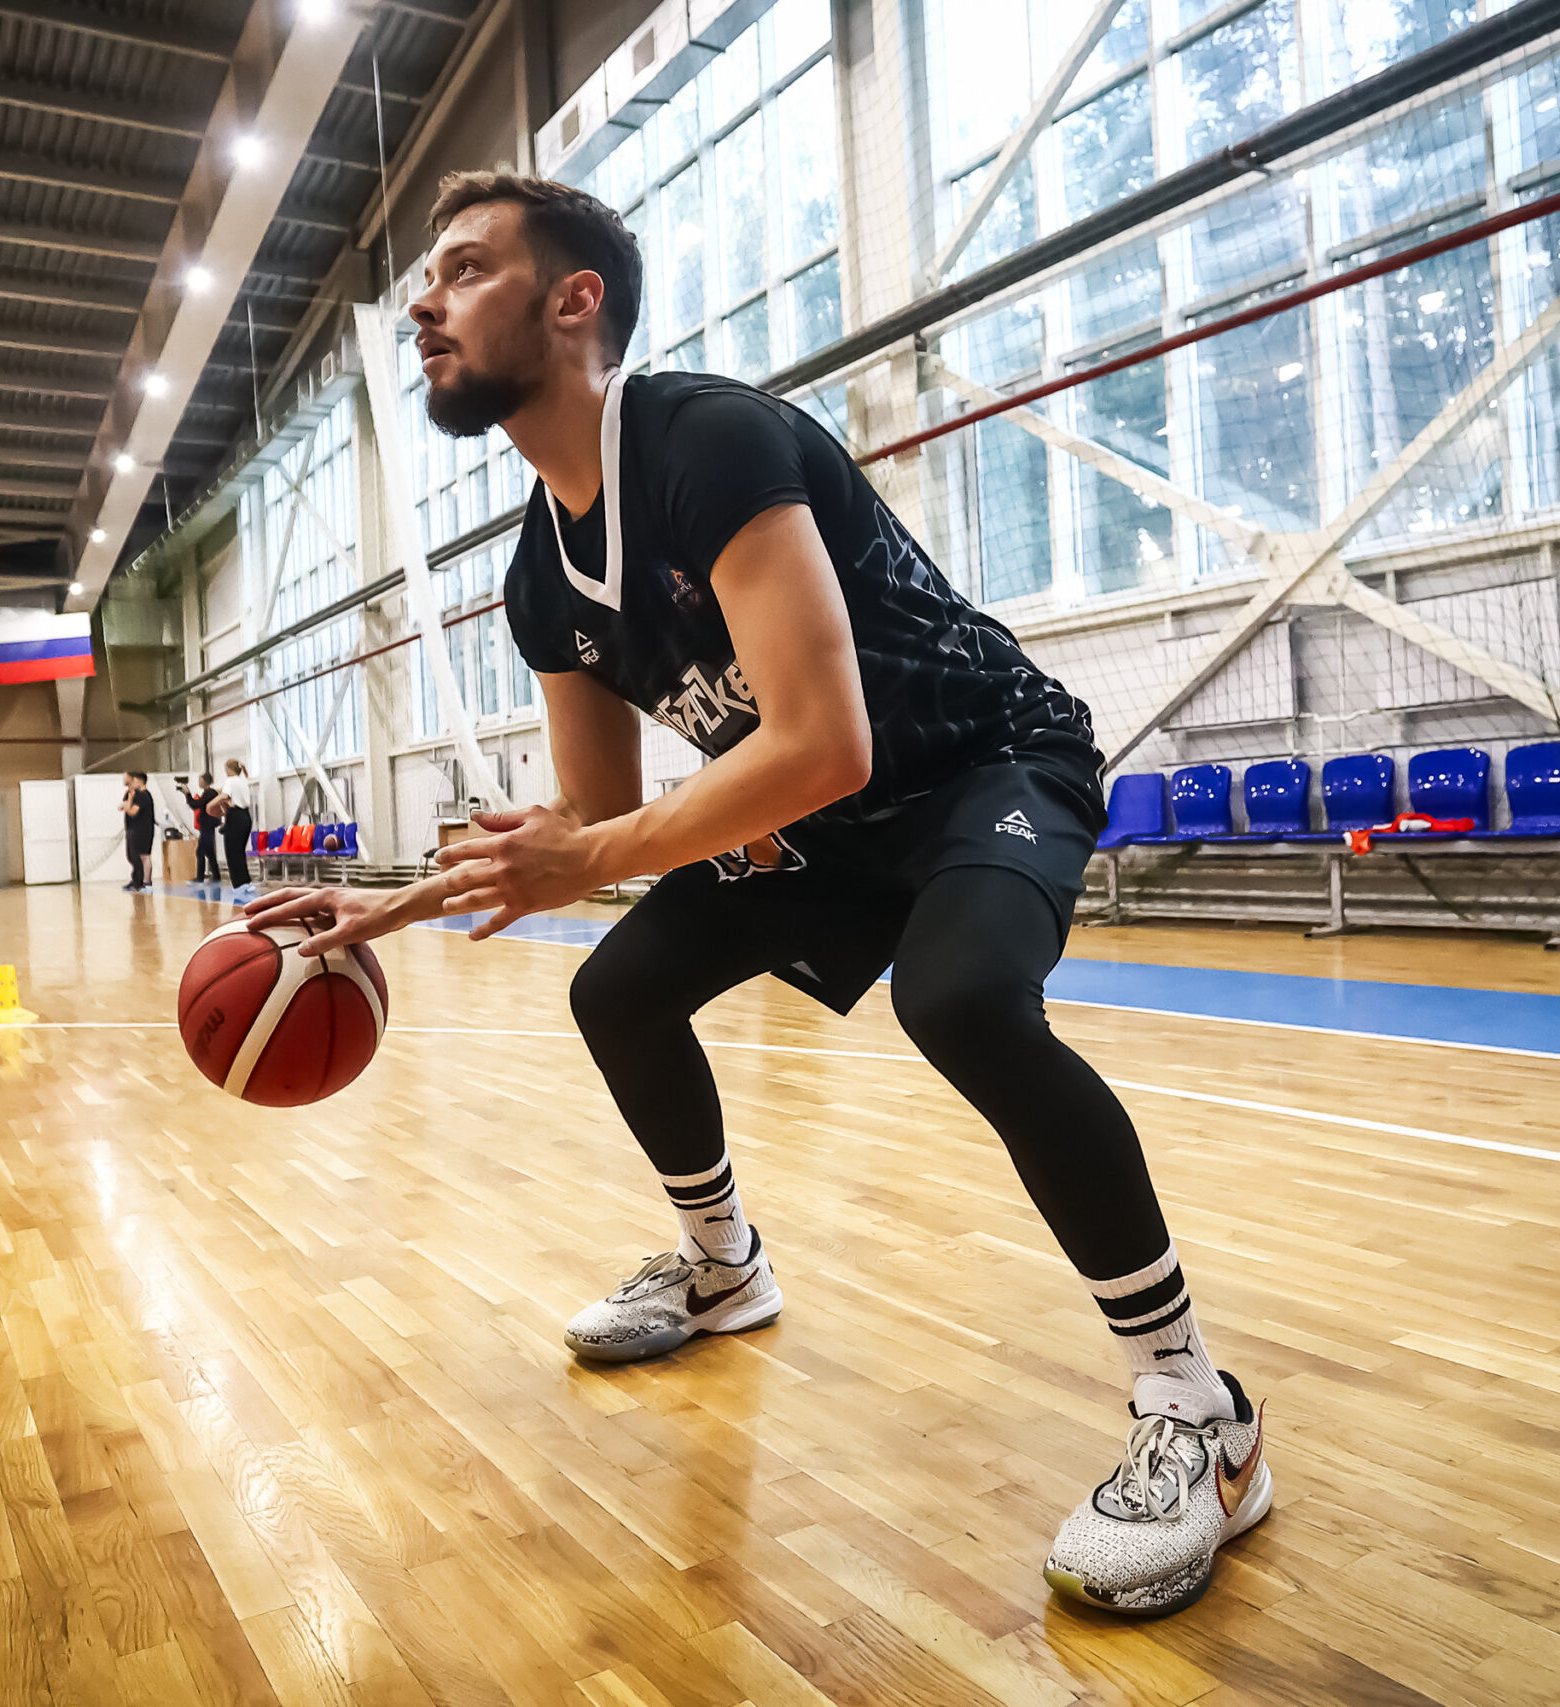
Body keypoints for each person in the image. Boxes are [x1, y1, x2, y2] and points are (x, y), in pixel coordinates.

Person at [247, 173, 1268, 1618]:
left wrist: (592, 856)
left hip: (978, 761)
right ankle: (724, 1266)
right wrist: (387, 906)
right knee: (620, 987)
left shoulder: (709, 439)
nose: (423, 299)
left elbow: (821, 740)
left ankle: (1198, 1405)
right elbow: (598, 816)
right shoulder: (541, 574)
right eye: (426, 278)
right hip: (819, 823)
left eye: (464, 269)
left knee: (964, 995)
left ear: (572, 300)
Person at [219, 758, 254, 893]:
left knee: (232, 852)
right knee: (239, 851)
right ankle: (245, 881)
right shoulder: (243, 781)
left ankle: (238, 884)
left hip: (235, 817)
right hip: (246, 817)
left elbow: (224, 795)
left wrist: (212, 804)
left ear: (229, 769)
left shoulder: (230, 781)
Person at [183, 772, 222, 883]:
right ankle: (216, 875)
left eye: (200, 780)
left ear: (205, 781)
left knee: (200, 852)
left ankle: (200, 878)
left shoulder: (209, 793)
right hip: (208, 825)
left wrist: (187, 794)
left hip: (207, 826)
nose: (199, 782)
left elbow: (196, 804)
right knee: (209, 853)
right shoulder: (211, 793)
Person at [120, 771, 154, 890]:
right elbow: (124, 807)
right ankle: (137, 880)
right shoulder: (133, 794)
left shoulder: (143, 795)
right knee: (132, 856)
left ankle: (145, 882)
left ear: (140, 781)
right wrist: (129, 799)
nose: (131, 782)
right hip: (134, 829)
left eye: (134, 780)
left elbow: (132, 811)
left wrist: (127, 806)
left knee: (143, 856)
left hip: (143, 830)